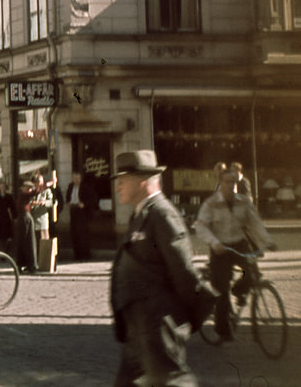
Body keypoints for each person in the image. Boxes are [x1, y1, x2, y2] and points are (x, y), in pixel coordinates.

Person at [110, 149, 211, 387]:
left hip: (158, 325)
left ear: (142, 181)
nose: (117, 188)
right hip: (139, 327)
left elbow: (184, 272)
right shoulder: (141, 214)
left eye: (122, 181)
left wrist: (179, 320)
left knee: (174, 381)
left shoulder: (163, 214)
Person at [194, 165, 274, 341]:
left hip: (239, 244)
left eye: (234, 182)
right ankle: (223, 330)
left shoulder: (244, 202)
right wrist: (214, 242)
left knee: (253, 273)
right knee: (221, 291)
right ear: (220, 183)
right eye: (227, 182)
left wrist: (267, 241)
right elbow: (200, 226)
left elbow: (255, 223)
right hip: (221, 248)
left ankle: (238, 291)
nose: (231, 185)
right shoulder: (211, 203)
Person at [66, 171, 98, 261]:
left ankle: (85, 255)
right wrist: (68, 202)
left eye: (78, 178)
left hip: (82, 212)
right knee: (74, 233)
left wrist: (84, 204)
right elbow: (68, 196)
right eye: (74, 178)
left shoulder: (85, 187)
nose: (76, 180)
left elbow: (93, 198)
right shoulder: (70, 186)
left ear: (80, 179)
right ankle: (77, 255)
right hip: (73, 210)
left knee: (82, 234)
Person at [13, 180, 37, 273]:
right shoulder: (24, 195)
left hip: (24, 218)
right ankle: (29, 265)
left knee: (25, 242)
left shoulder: (23, 196)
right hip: (24, 218)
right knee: (27, 241)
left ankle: (26, 264)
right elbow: (36, 192)